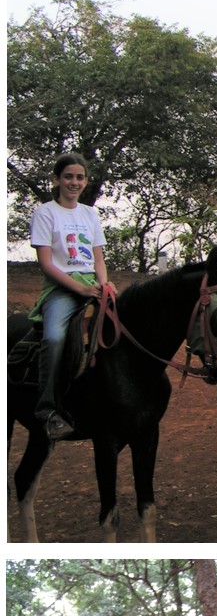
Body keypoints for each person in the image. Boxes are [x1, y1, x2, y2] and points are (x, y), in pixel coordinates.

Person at [28, 152, 116, 439]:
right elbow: (46, 263)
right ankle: (47, 410)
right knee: (54, 337)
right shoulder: (45, 212)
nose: (74, 182)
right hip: (62, 288)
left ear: (86, 181)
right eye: (68, 176)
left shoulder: (90, 214)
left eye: (79, 177)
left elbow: (99, 259)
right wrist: (78, 289)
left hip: (93, 284)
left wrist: (104, 284)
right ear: (56, 179)